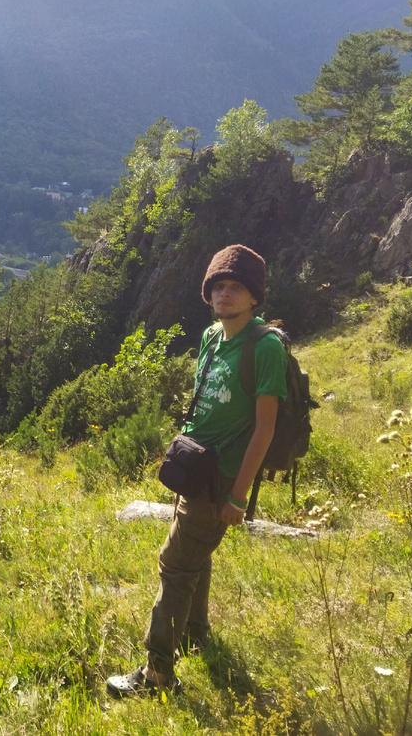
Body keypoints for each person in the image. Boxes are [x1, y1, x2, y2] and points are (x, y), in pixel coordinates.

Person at [106, 244, 287, 698]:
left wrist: (239, 497)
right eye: (217, 286)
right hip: (195, 467)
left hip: (222, 478)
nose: (225, 294)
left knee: (175, 565)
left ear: (254, 297)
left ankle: (157, 675)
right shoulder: (211, 337)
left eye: (236, 287)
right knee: (193, 559)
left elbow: (264, 429)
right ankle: (194, 635)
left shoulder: (264, 347)